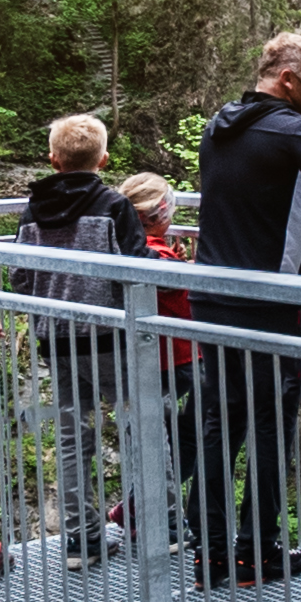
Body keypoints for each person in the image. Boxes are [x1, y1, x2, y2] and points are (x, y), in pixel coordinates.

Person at [190, 33, 301, 587]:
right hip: (266, 302)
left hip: (209, 294)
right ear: (288, 80)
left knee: (220, 419)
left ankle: (211, 552)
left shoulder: (221, 125)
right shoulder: (295, 128)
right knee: (270, 422)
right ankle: (256, 552)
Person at [18, 113, 148, 571]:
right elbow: (136, 269)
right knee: (143, 425)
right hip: (109, 337)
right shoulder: (113, 205)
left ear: (52, 159)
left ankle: (81, 539)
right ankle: (166, 526)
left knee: (74, 438)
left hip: (56, 339)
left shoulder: (33, 210)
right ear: (104, 159)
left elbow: (19, 275)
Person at [120, 167, 203, 560]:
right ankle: (154, 516)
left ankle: (134, 508)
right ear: (158, 214)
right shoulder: (154, 256)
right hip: (176, 357)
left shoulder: (132, 247)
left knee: (163, 437)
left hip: (158, 357)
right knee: (171, 439)